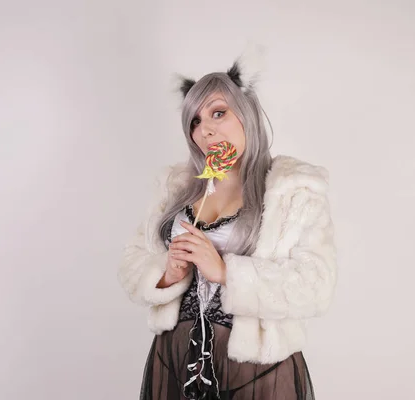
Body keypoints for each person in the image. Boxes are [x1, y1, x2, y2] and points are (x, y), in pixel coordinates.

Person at [118, 52, 337, 400]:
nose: (205, 130)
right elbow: (132, 262)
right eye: (194, 121)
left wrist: (226, 272)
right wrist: (166, 275)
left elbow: (316, 286)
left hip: (257, 374)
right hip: (173, 362)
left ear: (246, 114)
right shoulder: (174, 188)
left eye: (218, 112)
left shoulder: (293, 191)